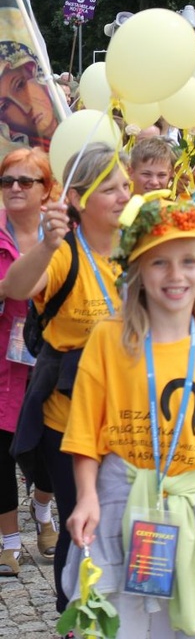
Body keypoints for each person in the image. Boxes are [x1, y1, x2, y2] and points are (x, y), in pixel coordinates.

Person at [60, 197, 195, 638]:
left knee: (178, 626)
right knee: (114, 624)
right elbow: (84, 434)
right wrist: (86, 497)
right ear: (137, 270)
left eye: (189, 262)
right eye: (159, 264)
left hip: (188, 502)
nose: (176, 276)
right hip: (118, 496)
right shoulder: (109, 338)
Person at [1, 143, 130, 612]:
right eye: (110, 188)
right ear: (76, 198)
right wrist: (49, 245)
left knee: (129, 529)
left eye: (125, 186)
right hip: (70, 422)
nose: (123, 196)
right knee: (82, 529)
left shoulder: (141, 250)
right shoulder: (62, 253)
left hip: (132, 416)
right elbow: (16, 287)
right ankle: (74, 615)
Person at [0, 148, 57, 577]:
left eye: (26, 181)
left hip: (51, 357)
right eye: (7, 182)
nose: (15, 188)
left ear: (47, 190)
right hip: (2, 358)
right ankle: (8, 541)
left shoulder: (61, 235)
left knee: (47, 452)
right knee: (1, 452)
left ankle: (42, 511)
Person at [0, 41, 59, 150]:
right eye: (4, 106)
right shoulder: (19, 164)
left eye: (20, 85)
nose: (26, 108)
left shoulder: (85, 130)